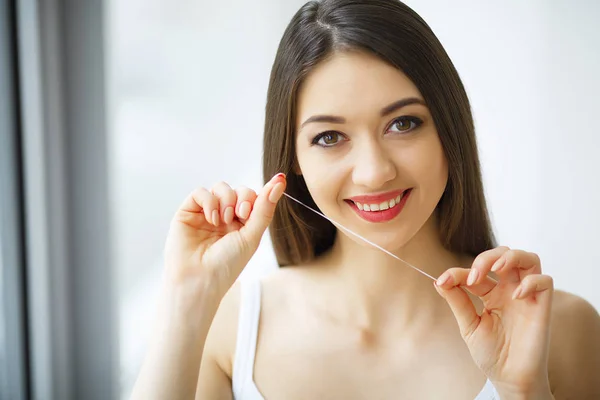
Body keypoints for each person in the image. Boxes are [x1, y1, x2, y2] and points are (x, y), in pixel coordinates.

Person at [131, 0, 600, 399]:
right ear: (292, 158)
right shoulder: (227, 330)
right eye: (330, 136)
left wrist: (524, 393)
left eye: (403, 123)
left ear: (447, 130)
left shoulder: (562, 330)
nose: (375, 171)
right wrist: (186, 300)